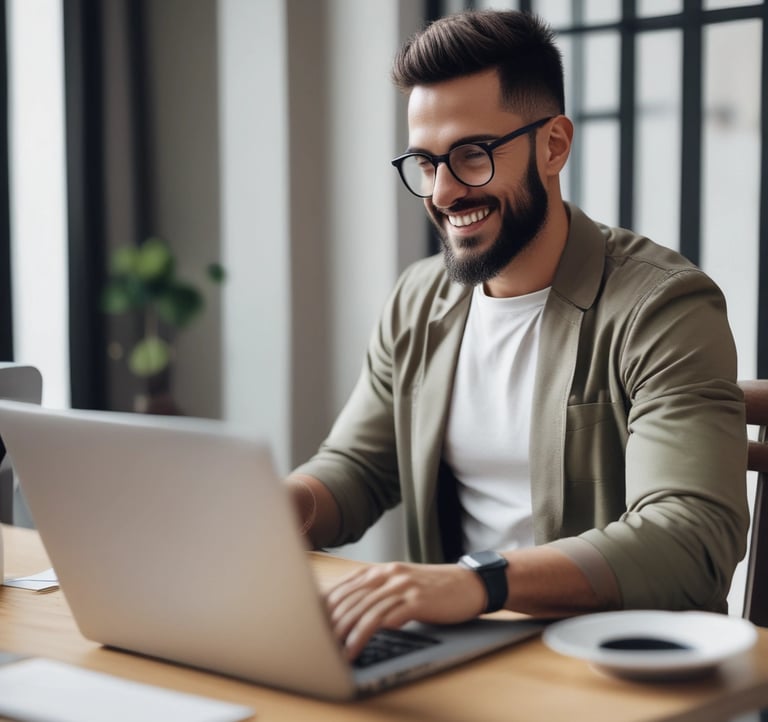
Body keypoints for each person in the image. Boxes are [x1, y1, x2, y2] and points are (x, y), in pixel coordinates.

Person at [286, 9, 749, 661]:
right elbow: (360, 467)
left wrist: (479, 581)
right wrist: (281, 509)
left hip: (614, 671)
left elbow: (690, 538)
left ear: (554, 146)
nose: (444, 192)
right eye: (426, 162)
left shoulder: (662, 305)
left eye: (472, 156)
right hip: (458, 659)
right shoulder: (419, 299)